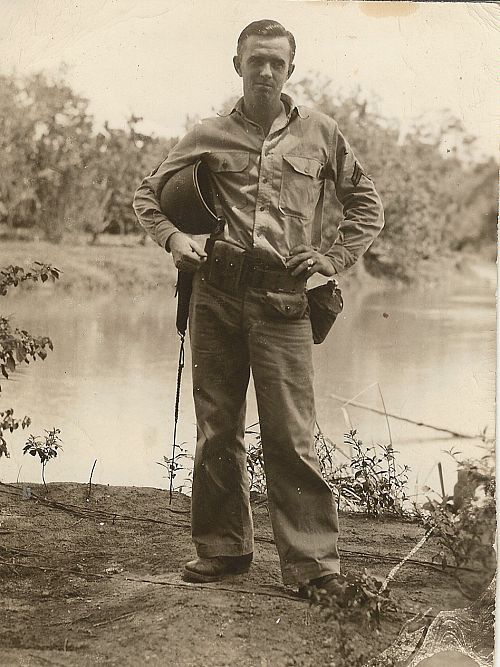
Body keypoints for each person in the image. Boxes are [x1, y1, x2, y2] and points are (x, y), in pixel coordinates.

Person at [133, 19, 384, 594]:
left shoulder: (321, 133)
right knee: (217, 427)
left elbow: (366, 204)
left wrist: (332, 258)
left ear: (291, 68)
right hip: (215, 293)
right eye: (255, 61)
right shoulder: (209, 133)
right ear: (238, 65)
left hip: (284, 299)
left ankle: (312, 566)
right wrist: (174, 239)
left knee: (290, 433)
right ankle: (223, 550)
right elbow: (148, 193)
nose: (265, 71)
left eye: (276, 62)